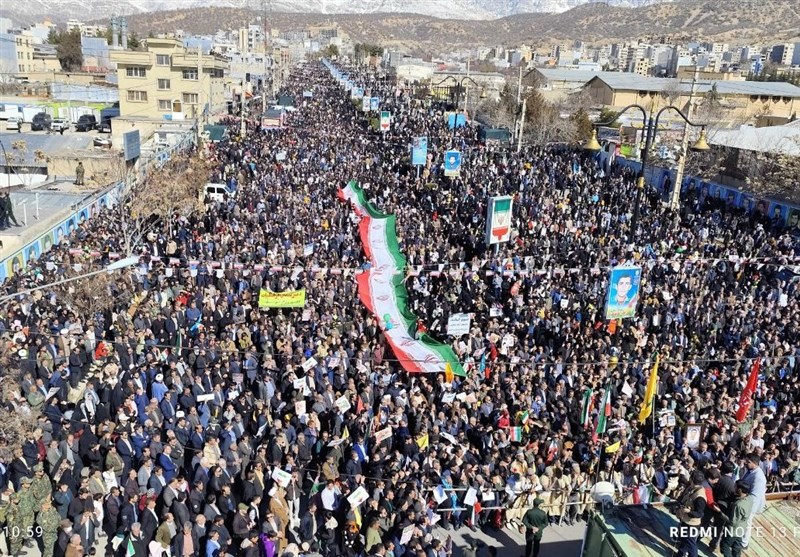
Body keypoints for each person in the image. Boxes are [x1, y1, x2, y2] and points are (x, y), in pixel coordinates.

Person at [673, 471, 708, 557]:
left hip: (692, 524)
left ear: (691, 480)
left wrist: (689, 512)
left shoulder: (700, 497)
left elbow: (700, 514)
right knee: (684, 541)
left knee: (691, 544)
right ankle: (680, 555)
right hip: (685, 520)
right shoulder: (692, 488)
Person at [717, 480, 754, 557]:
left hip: (732, 531)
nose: (734, 488)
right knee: (736, 548)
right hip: (742, 529)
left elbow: (732, 521)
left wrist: (720, 512)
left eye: (736, 487)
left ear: (740, 490)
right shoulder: (750, 499)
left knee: (724, 546)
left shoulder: (738, 505)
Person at [739, 453, 767, 549]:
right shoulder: (750, 471)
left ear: (755, 463)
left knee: (747, 523)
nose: (746, 463)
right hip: (745, 501)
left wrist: (748, 508)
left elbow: (755, 496)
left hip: (750, 505)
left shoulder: (758, 477)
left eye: (748, 462)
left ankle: (744, 543)